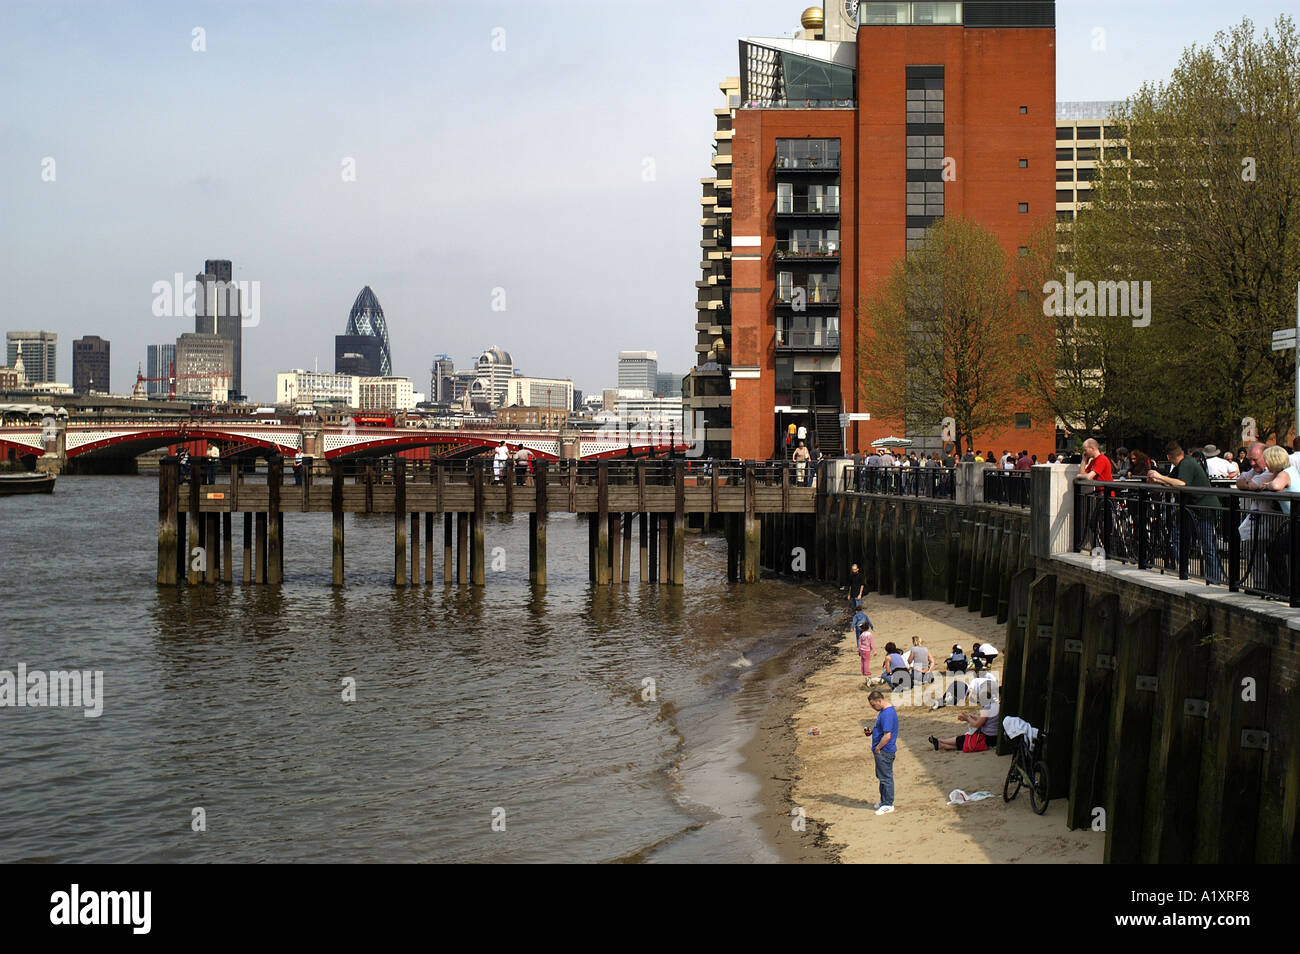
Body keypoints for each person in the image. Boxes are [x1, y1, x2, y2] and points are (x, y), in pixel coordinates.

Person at [1146, 440, 1223, 584]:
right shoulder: (1182, 464)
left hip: (1203, 507)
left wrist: (1160, 476)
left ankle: (1214, 579)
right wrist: (1157, 480)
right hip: (1192, 508)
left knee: (1207, 545)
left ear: (1169, 457)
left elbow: (1182, 483)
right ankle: (1184, 571)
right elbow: (1172, 481)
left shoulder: (1187, 464)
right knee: (1178, 536)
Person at [929, 686, 1000, 752]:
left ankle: (940, 741)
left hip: (988, 738)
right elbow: (987, 720)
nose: (979, 702)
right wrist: (974, 718)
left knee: (965, 739)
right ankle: (942, 744)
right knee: (964, 741)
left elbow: (977, 725)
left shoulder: (987, 708)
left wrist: (968, 718)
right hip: (994, 737)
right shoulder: (995, 706)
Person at [865, 691, 897, 814]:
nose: (873, 708)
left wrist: (878, 748)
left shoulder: (887, 714)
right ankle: (884, 801)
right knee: (881, 776)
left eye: (873, 705)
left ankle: (888, 804)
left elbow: (887, 735)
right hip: (882, 750)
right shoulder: (883, 712)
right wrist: (872, 733)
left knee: (886, 778)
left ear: (879, 701)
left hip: (884, 751)